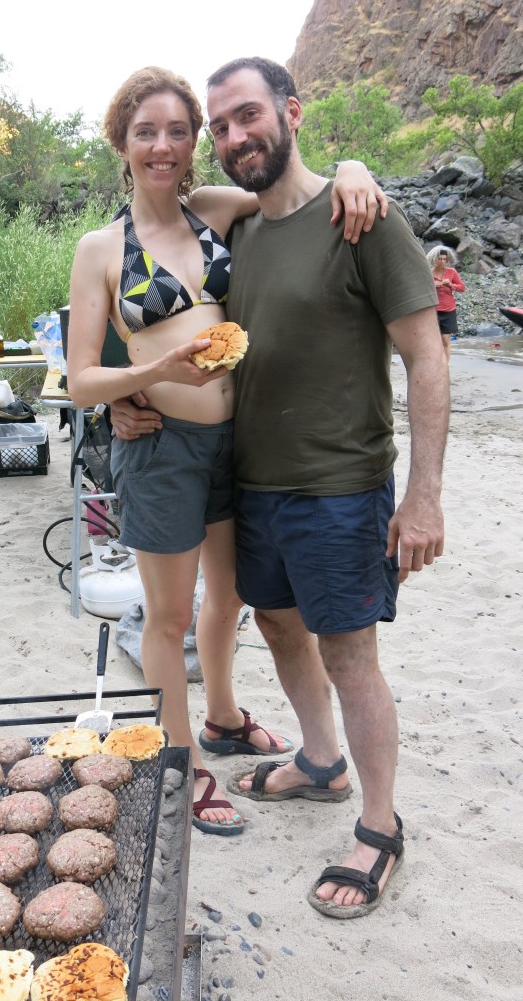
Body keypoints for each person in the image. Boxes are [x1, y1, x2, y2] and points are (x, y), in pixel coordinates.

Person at [113, 56, 449, 915]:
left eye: (246, 116)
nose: (232, 137)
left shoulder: (362, 217)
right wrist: (126, 397)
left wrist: (423, 496)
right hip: (253, 484)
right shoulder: (240, 231)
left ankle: (379, 828)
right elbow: (145, 303)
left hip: (341, 485)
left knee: (349, 653)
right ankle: (321, 761)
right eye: (218, 126)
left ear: (292, 112)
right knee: (279, 627)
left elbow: (425, 356)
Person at [67, 66, 388, 837]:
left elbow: (293, 196)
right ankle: (186, 767)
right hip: (164, 449)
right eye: (147, 132)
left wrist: (353, 168)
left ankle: (221, 715)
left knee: (231, 596)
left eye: (180, 131)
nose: (164, 146)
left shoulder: (213, 210)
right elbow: (81, 376)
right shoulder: (102, 247)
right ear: (122, 141)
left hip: (237, 443)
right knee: (170, 614)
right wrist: (145, 378)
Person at [427, 245, 466, 359]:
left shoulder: (452, 272)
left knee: (445, 339)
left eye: (444, 259)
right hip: (433, 310)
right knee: (434, 340)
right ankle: (435, 364)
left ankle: (446, 366)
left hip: (449, 310)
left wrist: (451, 285)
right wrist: (432, 286)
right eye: (440, 259)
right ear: (434, 259)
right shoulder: (428, 273)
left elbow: (462, 288)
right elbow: (420, 289)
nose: (442, 261)